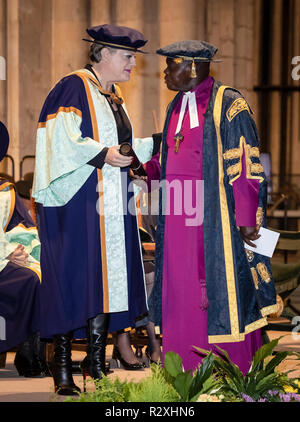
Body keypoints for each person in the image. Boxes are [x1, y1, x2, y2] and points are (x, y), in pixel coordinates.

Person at [32, 24, 161, 395]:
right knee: (76, 279)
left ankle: (97, 363)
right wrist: (105, 154)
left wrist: (151, 146)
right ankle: (61, 373)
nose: (133, 64)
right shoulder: (73, 87)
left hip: (110, 203)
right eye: (127, 57)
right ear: (103, 53)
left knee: (106, 283)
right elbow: (62, 140)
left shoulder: (111, 96)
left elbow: (120, 146)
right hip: (78, 204)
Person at [148, 40, 278, 374]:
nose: (165, 73)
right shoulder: (175, 104)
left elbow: (247, 165)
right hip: (177, 219)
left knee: (221, 292)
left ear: (192, 66)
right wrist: (143, 169)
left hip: (216, 222)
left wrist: (248, 218)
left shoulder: (230, 104)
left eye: (170, 65)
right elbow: (170, 159)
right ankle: (182, 373)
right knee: (179, 294)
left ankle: (228, 372)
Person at [0, 122, 45, 376]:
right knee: (28, 278)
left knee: (37, 275)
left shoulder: (5, 190)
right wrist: (6, 253)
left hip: (4, 257)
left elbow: (25, 228)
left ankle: (31, 354)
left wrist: (15, 251)